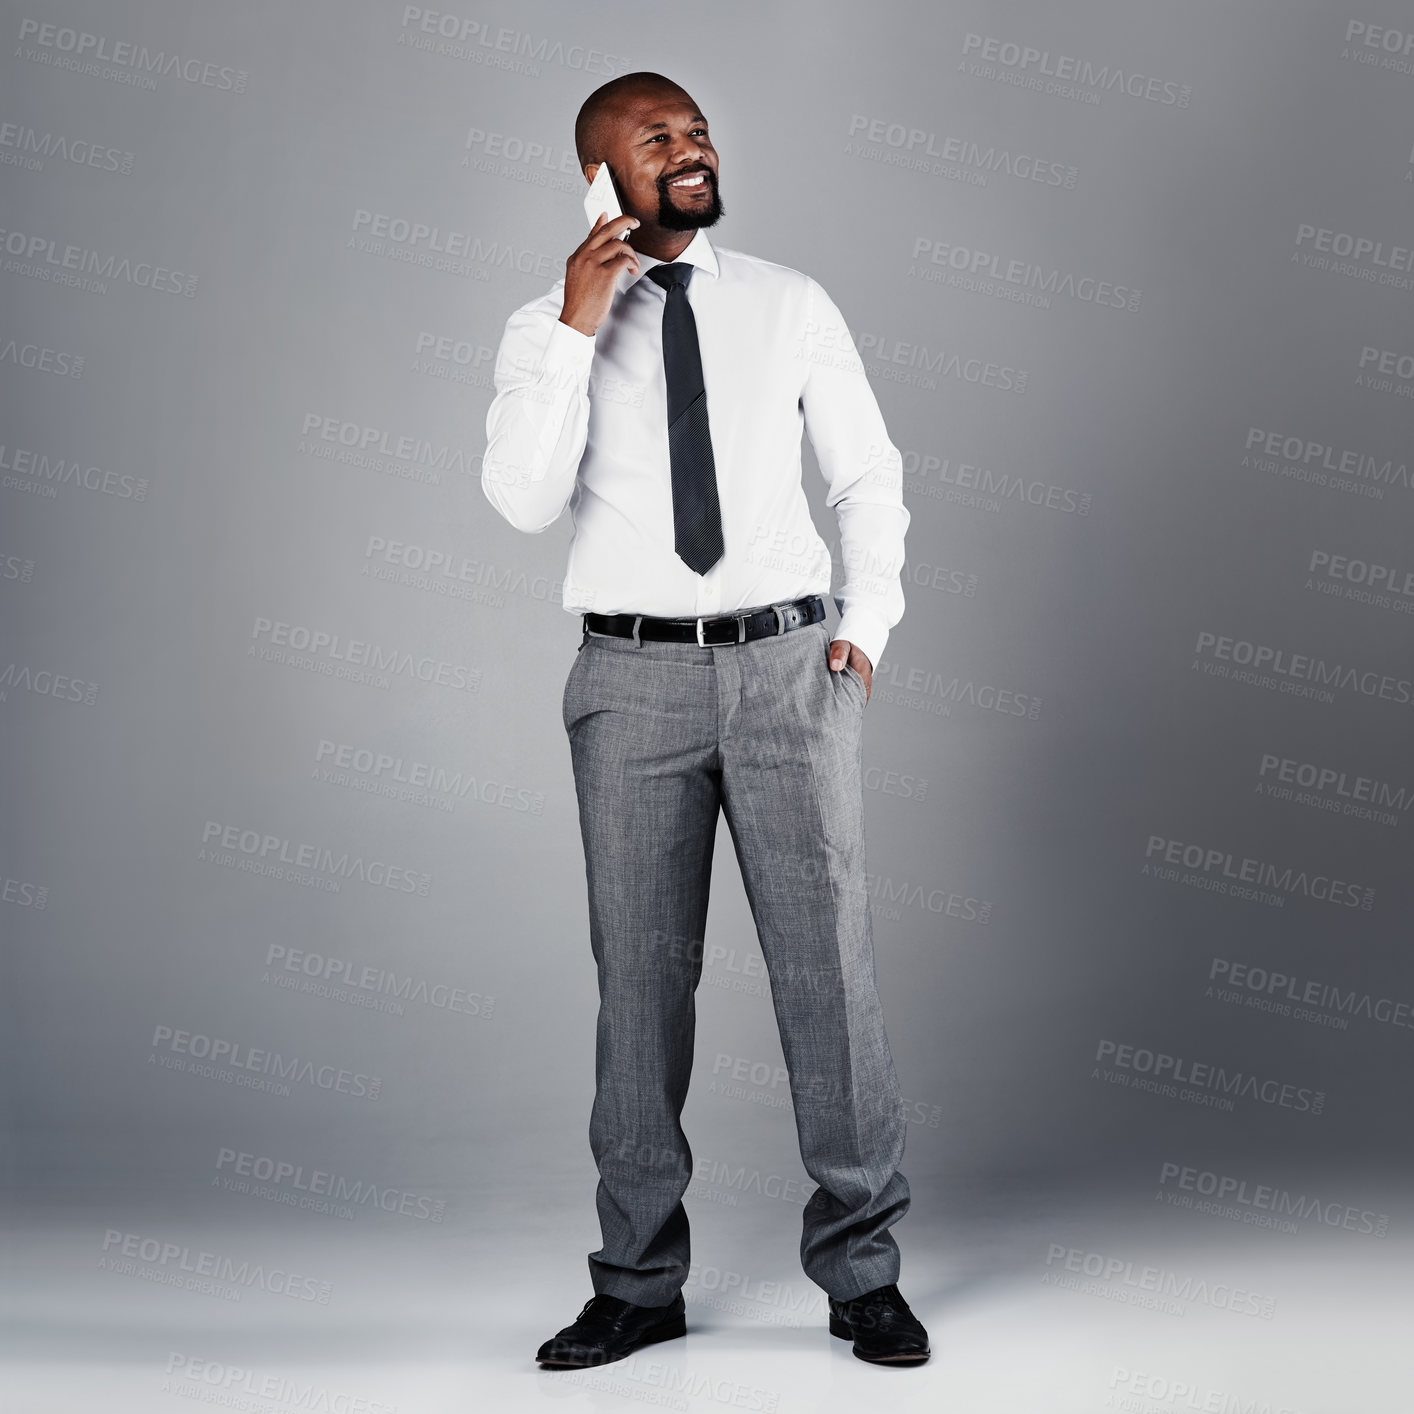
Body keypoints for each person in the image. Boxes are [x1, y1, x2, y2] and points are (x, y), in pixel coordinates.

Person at [482, 70, 927, 1369]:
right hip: (631, 688)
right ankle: (636, 1280)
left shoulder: (789, 304)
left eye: (694, 131)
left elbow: (866, 472)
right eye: (653, 139)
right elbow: (517, 498)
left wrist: (867, 624)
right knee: (640, 990)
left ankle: (863, 1269)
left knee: (826, 977)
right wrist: (579, 318)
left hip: (791, 669)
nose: (687, 151)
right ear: (596, 176)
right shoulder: (538, 328)